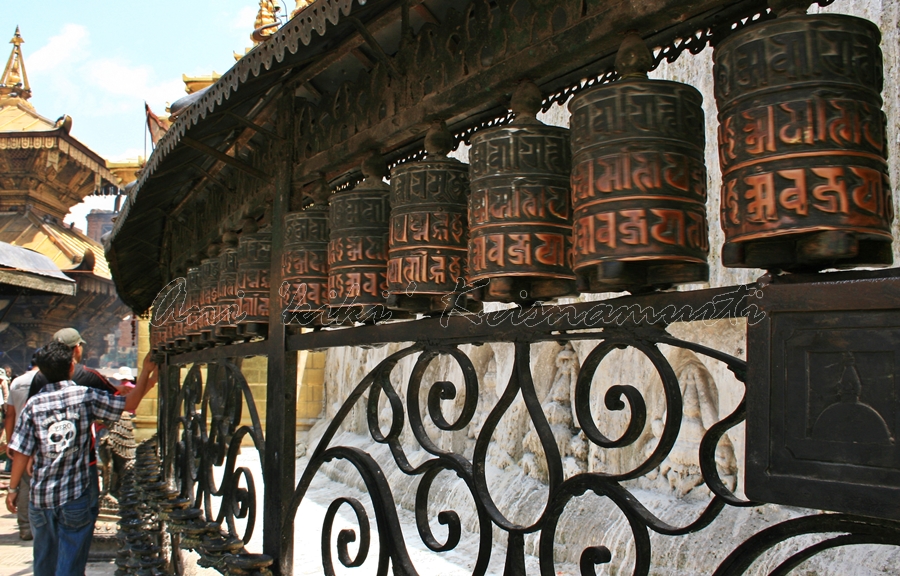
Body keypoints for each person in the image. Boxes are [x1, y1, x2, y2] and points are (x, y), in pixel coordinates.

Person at [5, 342, 157, 576]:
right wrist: (148, 374)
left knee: (44, 560)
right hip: (77, 494)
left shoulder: (33, 405)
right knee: (71, 561)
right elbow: (130, 404)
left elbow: (21, 452)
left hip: (42, 497)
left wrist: (13, 489)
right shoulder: (85, 396)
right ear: (71, 367)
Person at [4, 352, 41, 540]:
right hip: (41, 438)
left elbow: (9, 414)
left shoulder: (17, 382)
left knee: (24, 484)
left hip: (21, 438)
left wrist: (11, 441)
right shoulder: (46, 380)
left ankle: (25, 527)